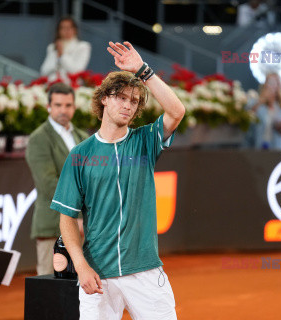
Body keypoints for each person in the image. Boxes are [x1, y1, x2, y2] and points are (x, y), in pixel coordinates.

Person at [50, 41, 184, 319]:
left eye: (134, 101)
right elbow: (67, 218)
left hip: (145, 271)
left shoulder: (145, 141)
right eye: (121, 97)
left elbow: (176, 111)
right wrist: (81, 266)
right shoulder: (80, 154)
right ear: (104, 99)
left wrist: (143, 71)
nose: (128, 105)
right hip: (99, 275)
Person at [25, 82, 88, 275]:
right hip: (53, 226)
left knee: (83, 290)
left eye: (68, 105)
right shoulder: (39, 139)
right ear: (49, 107)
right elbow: (49, 184)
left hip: (84, 227)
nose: (63, 110)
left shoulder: (83, 137)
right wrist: (75, 216)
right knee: (50, 290)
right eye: (58, 105)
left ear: (74, 107)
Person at [245, 73, 281, 150]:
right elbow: (247, 118)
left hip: (279, 147)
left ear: (279, 85)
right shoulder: (256, 102)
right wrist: (260, 101)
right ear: (264, 84)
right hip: (257, 146)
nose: (271, 86)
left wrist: (280, 127)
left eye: (275, 82)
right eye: (269, 82)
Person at [40, 16, 91, 83]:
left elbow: (76, 71)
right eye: (63, 28)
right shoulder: (52, 47)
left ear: (75, 30)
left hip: (71, 87)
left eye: (69, 28)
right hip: (53, 84)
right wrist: (56, 62)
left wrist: (62, 54)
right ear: (58, 31)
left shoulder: (83, 46)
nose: (66, 31)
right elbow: (44, 71)